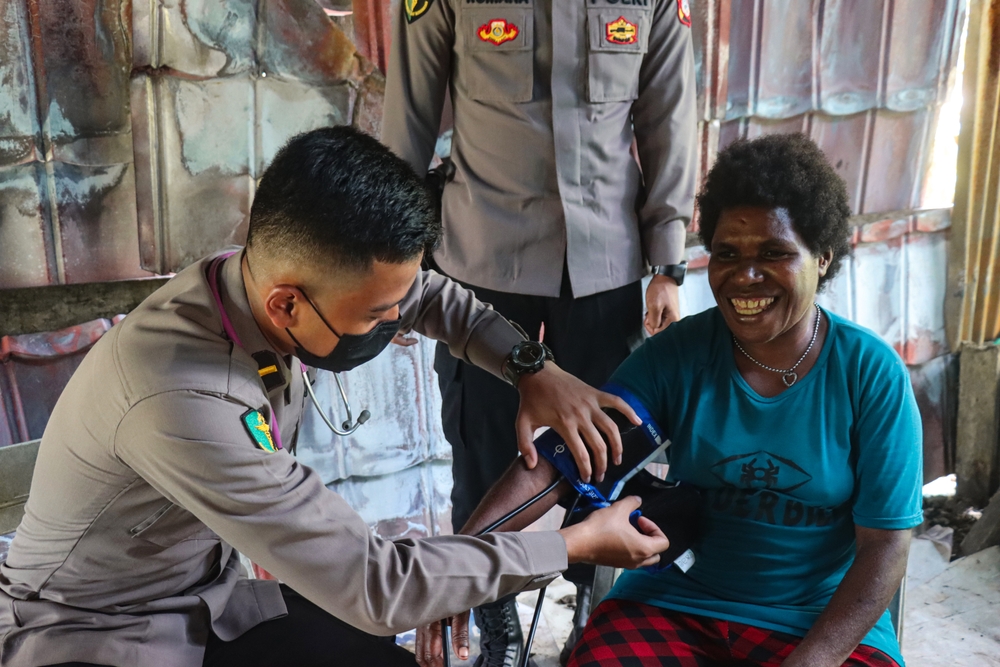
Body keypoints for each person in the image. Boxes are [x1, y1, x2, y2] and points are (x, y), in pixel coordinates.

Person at [0, 127, 672, 667]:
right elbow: (379, 585)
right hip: (98, 631)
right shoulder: (184, 397)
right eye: (377, 315)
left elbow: (424, 294)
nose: (396, 326)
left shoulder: (256, 278)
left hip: (203, 597)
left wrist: (530, 366)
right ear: (287, 302)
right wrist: (574, 545)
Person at [443, 134, 924, 667]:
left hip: (817, 621)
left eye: (774, 253)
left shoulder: (870, 373)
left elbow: (885, 545)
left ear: (823, 258)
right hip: (678, 604)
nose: (746, 275)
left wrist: (811, 661)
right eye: (727, 253)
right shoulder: (682, 354)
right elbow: (564, 460)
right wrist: (452, 565)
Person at [382, 0, 698, 662]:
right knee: (482, 444)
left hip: (604, 264)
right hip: (483, 260)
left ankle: (595, 596)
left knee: (605, 447)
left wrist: (667, 261)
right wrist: (391, 262)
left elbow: (668, 114)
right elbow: (406, 120)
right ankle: (490, 609)